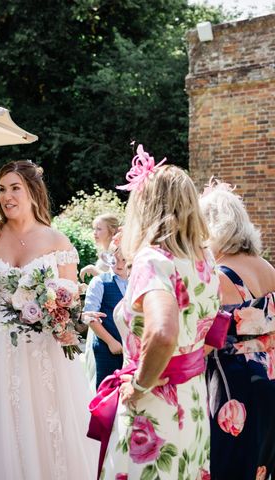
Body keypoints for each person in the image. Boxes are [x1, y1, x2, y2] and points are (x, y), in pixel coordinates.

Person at [0, 160, 99, 479]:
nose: (7, 196)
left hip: (40, 352)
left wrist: (55, 309)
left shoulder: (57, 242)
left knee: (42, 432)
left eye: (15, 188)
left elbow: (69, 306)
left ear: (33, 191)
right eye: (2, 189)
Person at [90, 146, 220, 479]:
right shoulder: (203, 260)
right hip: (191, 399)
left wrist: (140, 383)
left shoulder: (153, 260)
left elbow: (162, 332)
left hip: (154, 408)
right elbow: (213, 329)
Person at [199, 180, 275, 480]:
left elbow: (203, 336)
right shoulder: (268, 268)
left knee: (228, 466)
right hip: (269, 377)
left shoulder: (216, 276)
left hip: (231, 386)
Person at [82, 236, 128, 390]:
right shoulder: (101, 282)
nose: (120, 265)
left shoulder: (136, 281)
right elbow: (90, 317)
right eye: (116, 260)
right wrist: (110, 342)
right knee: (107, 392)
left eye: (124, 260)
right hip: (107, 346)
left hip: (132, 349)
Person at [79, 213, 120, 281]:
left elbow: (116, 281)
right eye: (94, 229)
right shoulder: (103, 251)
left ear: (112, 231)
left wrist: (92, 269)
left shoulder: (117, 252)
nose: (95, 232)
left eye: (99, 229)